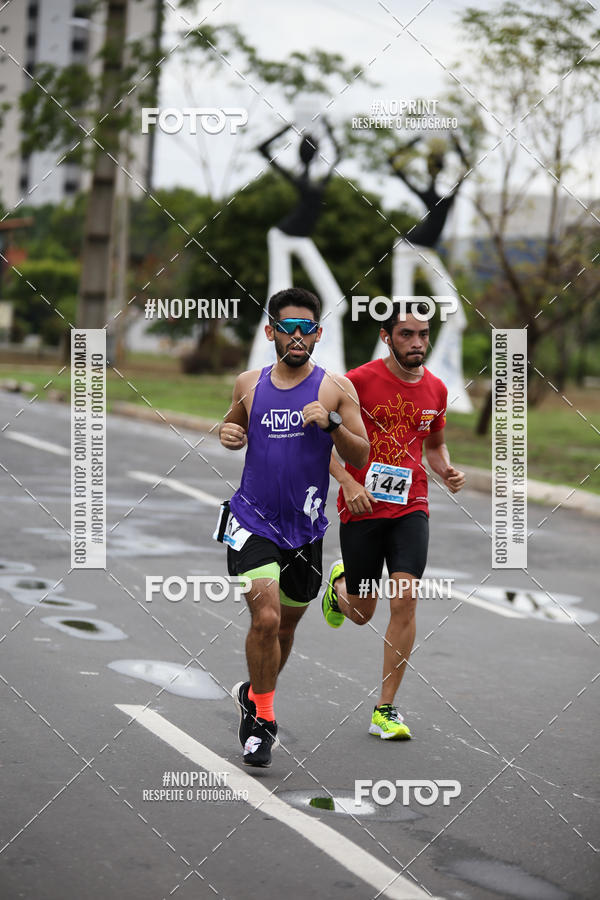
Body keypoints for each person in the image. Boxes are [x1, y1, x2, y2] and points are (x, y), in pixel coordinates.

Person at [216, 287, 369, 767]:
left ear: (318, 334)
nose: (298, 336)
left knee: (283, 629)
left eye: (307, 328)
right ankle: (262, 721)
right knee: (263, 619)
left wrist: (331, 425)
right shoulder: (248, 382)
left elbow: (360, 453)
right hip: (251, 521)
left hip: (305, 530)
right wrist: (228, 434)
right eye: (288, 327)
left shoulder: (335, 388)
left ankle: (252, 691)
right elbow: (233, 427)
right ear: (271, 332)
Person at [322, 301, 465, 740]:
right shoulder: (356, 382)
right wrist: (347, 482)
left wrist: (446, 470)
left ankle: (386, 708)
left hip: (411, 507)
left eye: (423, 334)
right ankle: (340, 586)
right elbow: (319, 437)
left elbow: (434, 446)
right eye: (407, 334)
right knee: (363, 613)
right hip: (362, 506)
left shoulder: (437, 390)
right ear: (387, 337)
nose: (417, 342)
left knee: (404, 599)